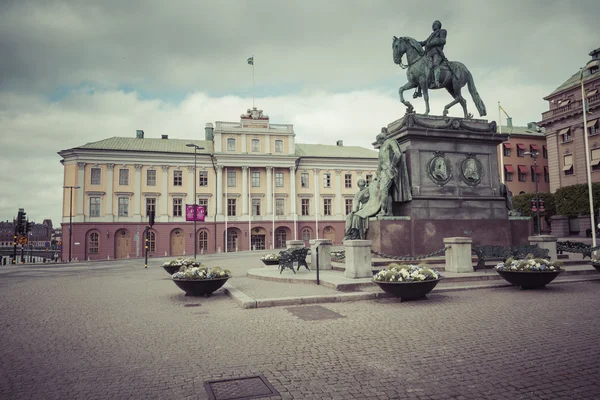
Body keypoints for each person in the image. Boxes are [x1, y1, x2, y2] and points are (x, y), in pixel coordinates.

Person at [375, 131, 412, 216]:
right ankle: (389, 212)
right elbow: (380, 161)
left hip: (389, 171)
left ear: (381, 139)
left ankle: (383, 211)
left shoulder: (391, 142)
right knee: (387, 192)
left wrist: (392, 166)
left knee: (383, 190)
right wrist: (378, 172)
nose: (378, 142)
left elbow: (398, 154)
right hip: (383, 171)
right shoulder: (382, 147)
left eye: (378, 140)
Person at [419, 20, 447, 88]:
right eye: (433, 24)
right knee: (423, 68)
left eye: (436, 24)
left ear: (439, 25)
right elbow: (424, 42)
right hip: (428, 53)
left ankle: (436, 81)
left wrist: (432, 43)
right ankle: (419, 87)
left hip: (437, 52)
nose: (434, 25)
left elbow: (443, 41)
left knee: (435, 65)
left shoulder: (442, 31)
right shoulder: (432, 35)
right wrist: (415, 42)